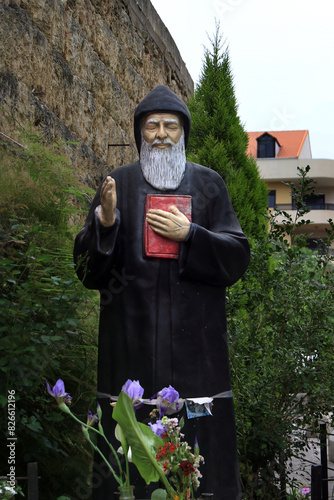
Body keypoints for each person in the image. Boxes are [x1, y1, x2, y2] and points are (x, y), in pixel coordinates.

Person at [74, 84, 250, 499]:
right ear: (139, 134)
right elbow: (88, 270)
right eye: (151, 126)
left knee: (197, 461)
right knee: (128, 459)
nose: (161, 135)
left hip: (197, 347)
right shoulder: (117, 184)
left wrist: (192, 234)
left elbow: (237, 256)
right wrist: (105, 222)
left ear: (183, 133)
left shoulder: (209, 184)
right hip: (129, 340)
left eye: (170, 126)